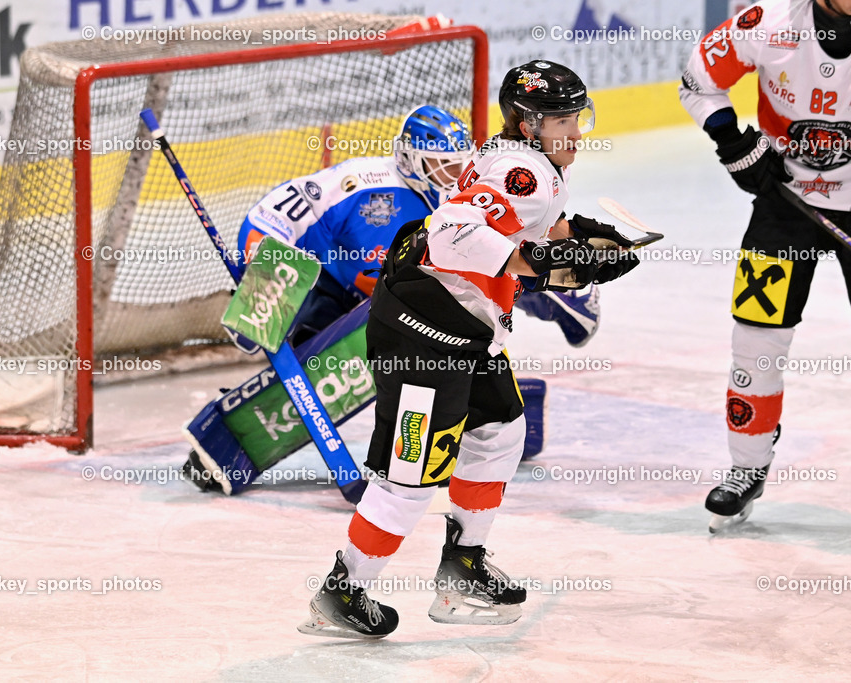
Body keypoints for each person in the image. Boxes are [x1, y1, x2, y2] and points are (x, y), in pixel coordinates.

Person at [298, 60, 640, 639]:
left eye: (578, 116)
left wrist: (582, 245)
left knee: (501, 429)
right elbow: (452, 236)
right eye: (564, 119)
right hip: (423, 334)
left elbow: (538, 232)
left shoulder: (531, 166)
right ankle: (342, 592)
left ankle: (462, 567)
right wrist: (554, 262)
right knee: (409, 482)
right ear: (530, 124)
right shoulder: (522, 172)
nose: (577, 131)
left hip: (465, 329)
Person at [679, 0, 851, 532]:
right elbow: (697, 81)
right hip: (786, 206)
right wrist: (733, 143)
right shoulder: (768, 24)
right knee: (756, 339)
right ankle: (747, 466)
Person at [236, 106, 602, 348]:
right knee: (305, 346)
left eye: (460, 165)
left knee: (493, 269)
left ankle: (571, 301)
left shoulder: (466, 191)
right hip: (333, 290)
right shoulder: (360, 182)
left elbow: (515, 239)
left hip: (393, 303)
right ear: (410, 160)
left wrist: (566, 258)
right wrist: (263, 271)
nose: (455, 177)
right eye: (442, 166)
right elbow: (271, 215)